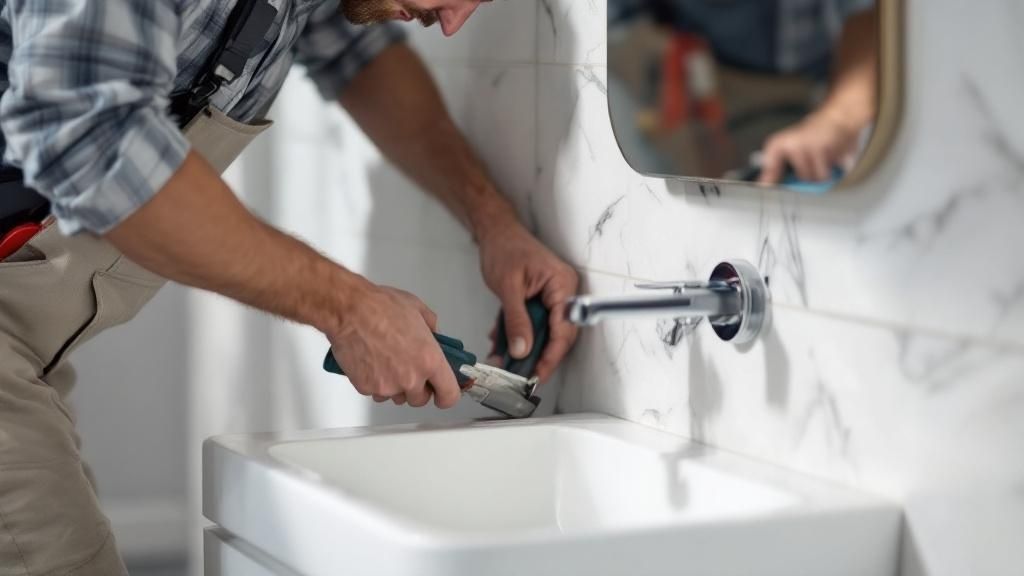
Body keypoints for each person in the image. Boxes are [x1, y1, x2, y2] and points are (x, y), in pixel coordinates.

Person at [0, 0, 578, 572]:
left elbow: (358, 56)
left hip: (30, 346)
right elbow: (90, 140)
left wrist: (494, 223)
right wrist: (349, 308)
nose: (453, 21)